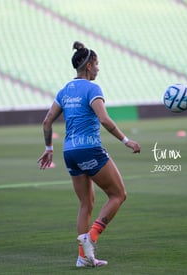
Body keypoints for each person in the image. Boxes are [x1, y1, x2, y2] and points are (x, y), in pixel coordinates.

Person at [37, 41, 141, 268]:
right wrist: (125, 140)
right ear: (89, 65)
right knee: (118, 195)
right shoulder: (93, 89)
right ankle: (90, 240)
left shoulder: (64, 90)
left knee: (86, 203)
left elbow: (47, 122)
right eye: (97, 64)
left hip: (69, 152)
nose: (99, 69)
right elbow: (104, 119)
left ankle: (83, 258)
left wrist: (48, 149)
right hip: (89, 149)